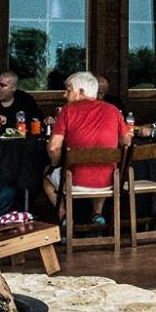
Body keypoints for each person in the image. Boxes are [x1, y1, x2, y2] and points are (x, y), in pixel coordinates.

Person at [46, 71, 128, 224]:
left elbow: (53, 148)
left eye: (69, 90)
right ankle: (97, 214)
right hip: (109, 181)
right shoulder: (113, 110)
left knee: (47, 179)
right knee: (104, 169)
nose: (65, 95)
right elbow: (126, 141)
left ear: (81, 92)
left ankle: (64, 217)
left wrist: (56, 164)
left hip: (75, 181)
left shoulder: (67, 110)